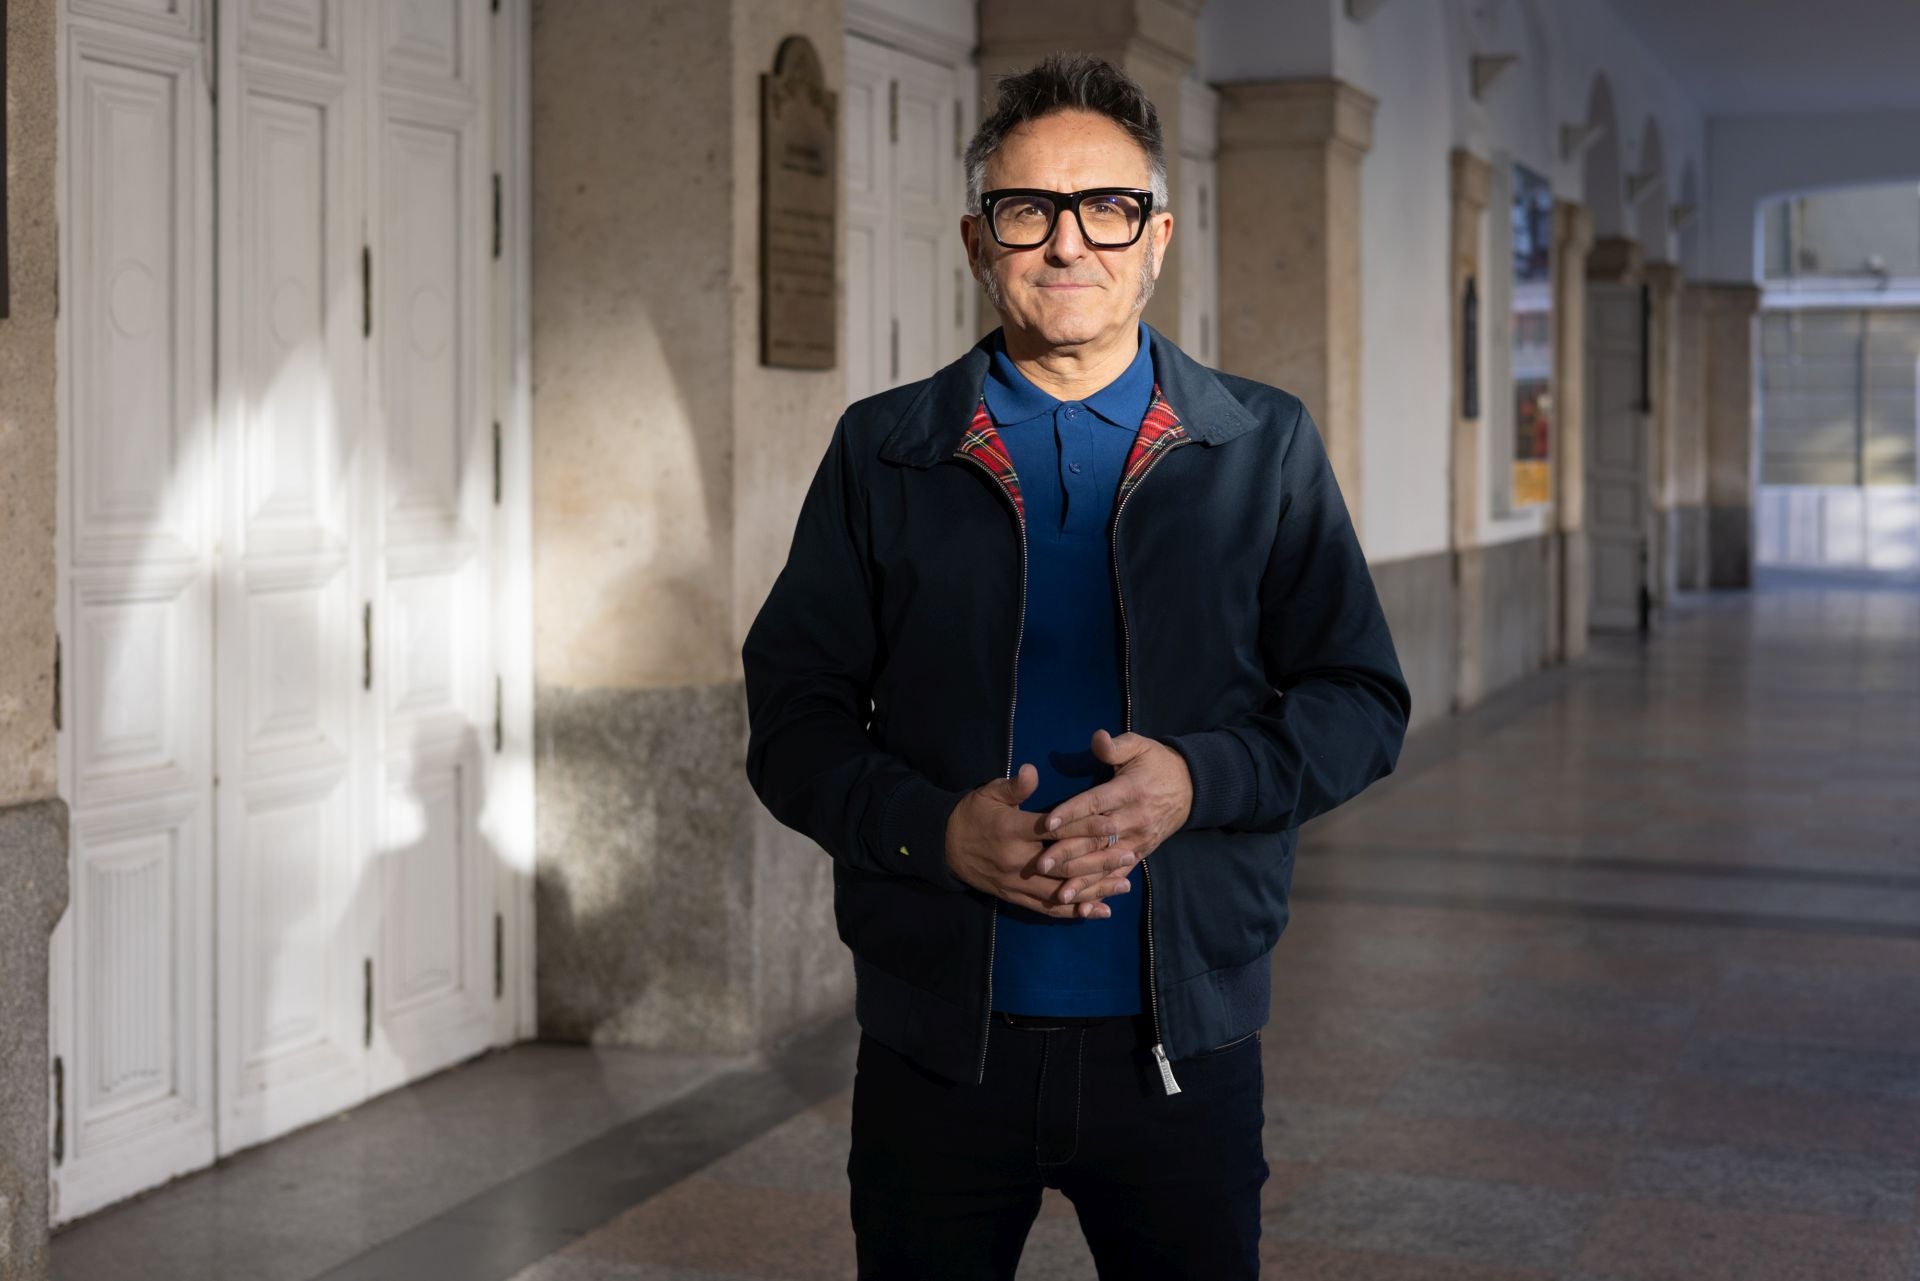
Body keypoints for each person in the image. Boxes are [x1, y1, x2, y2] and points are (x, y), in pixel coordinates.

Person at [742, 53, 1410, 1280]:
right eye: (1027, 211)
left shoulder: (1258, 448)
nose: (1067, 245)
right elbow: (793, 720)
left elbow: (1362, 701)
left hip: (1181, 1044)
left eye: (1106, 207)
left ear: (1158, 236)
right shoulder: (884, 452)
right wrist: (928, 831)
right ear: (976, 240)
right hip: (940, 1040)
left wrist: (1198, 783)